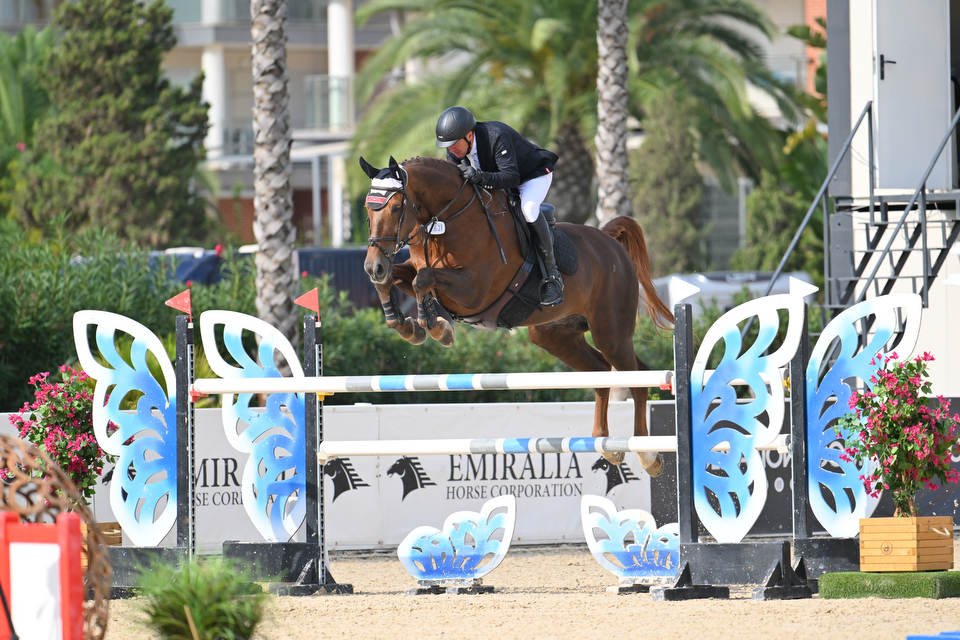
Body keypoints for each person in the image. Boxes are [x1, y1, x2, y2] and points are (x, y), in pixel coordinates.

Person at [435, 106, 563, 307]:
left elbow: (511, 177)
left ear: (469, 135)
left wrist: (479, 177)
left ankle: (552, 275)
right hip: (498, 180)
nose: (451, 151)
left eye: (453, 145)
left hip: (532, 176)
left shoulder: (496, 136)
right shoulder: (454, 151)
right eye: (447, 146)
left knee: (528, 211)